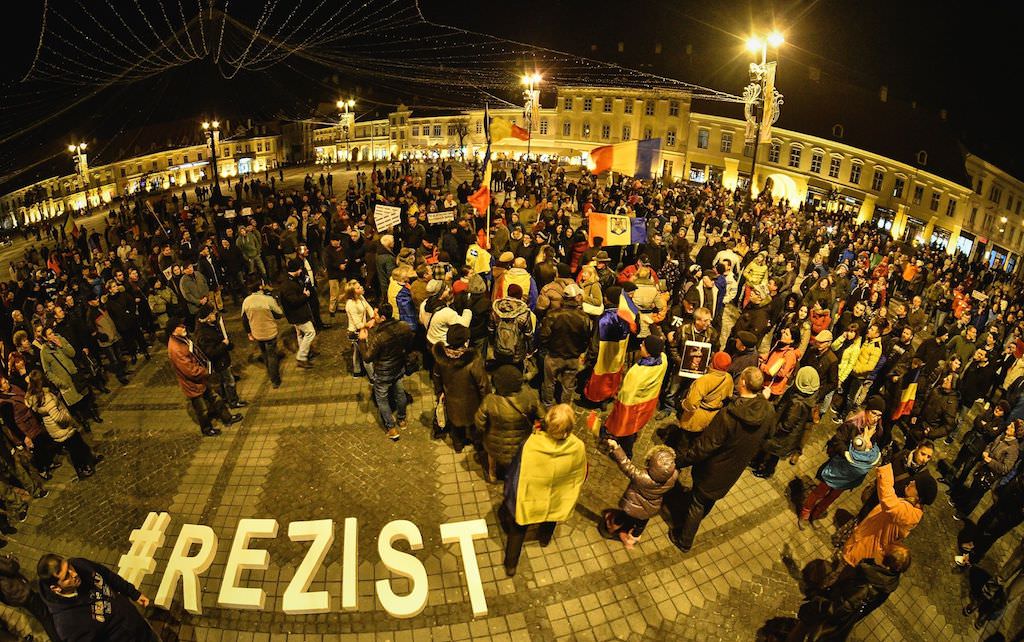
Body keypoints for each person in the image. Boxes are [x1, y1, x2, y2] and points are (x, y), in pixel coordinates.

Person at [667, 367, 774, 553]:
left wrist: (680, 461)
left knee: (698, 503)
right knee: (709, 500)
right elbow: (769, 435)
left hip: (713, 469)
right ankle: (694, 520)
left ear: (742, 383)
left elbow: (705, 447)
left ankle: (684, 539)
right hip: (734, 468)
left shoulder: (728, 416)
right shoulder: (768, 409)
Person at [500, 404, 587, 576]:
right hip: (557, 495)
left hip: (530, 498)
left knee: (519, 528)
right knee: (551, 517)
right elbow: (580, 473)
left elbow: (516, 470)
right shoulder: (578, 447)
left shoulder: (531, 444)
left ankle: (511, 564)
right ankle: (544, 538)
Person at [787, 543, 911, 642]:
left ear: (887, 564)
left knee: (803, 628)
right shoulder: (889, 580)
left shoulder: (866, 585)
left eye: (883, 551)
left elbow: (838, 608)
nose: (879, 549)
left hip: (827, 615)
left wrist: (816, 604)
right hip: (839, 618)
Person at [36, 553, 158, 641]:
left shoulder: (80, 564)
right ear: (56, 588)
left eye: (69, 567)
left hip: (138, 624)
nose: (75, 573)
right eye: (66, 576)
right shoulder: (67, 625)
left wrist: (133, 593)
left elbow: (107, 575)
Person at [840, 463, 931, 572]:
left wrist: (884, 469)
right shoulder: (909, 505)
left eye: (914, 484)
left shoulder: (910, 514)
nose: (911, 482)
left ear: (918, 496)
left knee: (842, 573)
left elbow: (888, 502)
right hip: (863, 540)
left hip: (865, 549)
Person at [799, 416, 882, 529]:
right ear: (867, 411)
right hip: (836, 469)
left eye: (879, 415)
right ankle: (805, 513)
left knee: (833, 496)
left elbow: (873, 455)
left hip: (849, 476)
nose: (875, 418)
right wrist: (848, 453)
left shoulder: (877, 432)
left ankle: (816, 514)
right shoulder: (853, 425)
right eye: (874, 413)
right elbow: (838, 441)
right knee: (819, 492)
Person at [166, 317, 242, 437]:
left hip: (200, 380)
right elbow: (190, 371)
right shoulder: (176, 349)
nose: (183, 327)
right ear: (173, 331)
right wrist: (206, 371)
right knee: (202, 410)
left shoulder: (182, 339)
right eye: (180, 327)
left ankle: (227, 418)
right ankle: (207, 429)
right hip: (193, 385)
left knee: (215, 398)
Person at [23, 370, 101, 479]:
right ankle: (81, 469)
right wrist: (67, 416)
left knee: (79, 442)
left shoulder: (34, 396)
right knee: (75, 449)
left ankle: (91, 458)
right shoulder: (46, 397)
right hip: (62, 428)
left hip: (53, 428)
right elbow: (57, 417)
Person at [601, 442, 678, 549]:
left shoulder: (641, 477)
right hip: (650, 509)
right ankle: (630, 541)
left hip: (632, 505)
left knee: (623, 516)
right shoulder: (673, 476)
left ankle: (612, 527)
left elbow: (626, 465)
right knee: (640, 525)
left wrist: (616, 448)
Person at [476, 364, 544, 482]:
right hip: (521, 443)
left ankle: (492, 473)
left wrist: (484, 432)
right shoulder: (529, 397)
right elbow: (544, 418)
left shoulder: (489, 400)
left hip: (495, 444)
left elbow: (479, 423)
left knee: (491, 454)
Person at [751, 367, 820, 478]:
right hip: (786, 432)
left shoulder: (798, 402)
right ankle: (758, 462)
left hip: (784, 435)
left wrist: (774, 428)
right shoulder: (806, 396)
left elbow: (787, 424)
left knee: (774, 454)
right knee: (771, 450)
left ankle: (767, 471)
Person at [358, 303, 413, 441]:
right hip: (398, 367)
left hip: (383, 372)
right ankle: (402, 420)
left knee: (382, 399)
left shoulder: (379, 336)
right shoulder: (404, 326)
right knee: (400, 393)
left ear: (382, 317)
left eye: (375, 314)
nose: (373, 316)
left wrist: (362, 341)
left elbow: (367, 357)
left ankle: (391, 428)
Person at [432, 324, 488, 450]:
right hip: (471, 401)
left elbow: (436, 376)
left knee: (455, 424)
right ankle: (477, 444)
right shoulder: (474, 361)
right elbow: (483, 385)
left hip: (451, 399)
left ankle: (458, 444)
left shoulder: (441, 358)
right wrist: (486, 402)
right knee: (474, 424)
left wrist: (439, 392)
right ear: (465, 341)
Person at [949, 420, 1019, 519]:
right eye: (1010, 425)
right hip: (983, 467)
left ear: (1016, 433)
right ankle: (961, 504)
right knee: (973, 488)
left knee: (977, 494)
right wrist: (986, 451)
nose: (1008, 427)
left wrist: (990, 461)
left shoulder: (1013, 449)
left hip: (990, 475)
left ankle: (964, 512)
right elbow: (991, 444)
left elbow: (1006, 468)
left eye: (1011, 427)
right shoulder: (1002, 436)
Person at [667, 350, 733, 450]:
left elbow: (691, 404)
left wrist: (682, 403)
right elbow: (728, 395)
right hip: (713, 415)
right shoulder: (728, 378)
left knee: (685, 439)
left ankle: (680, 457)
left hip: (696, 417)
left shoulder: (704, 380)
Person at [537, 282, 591, 406]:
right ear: (576, 297)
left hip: (554, 356)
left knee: (549, 383)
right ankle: (564, 408)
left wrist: (549, 347)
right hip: (572, 357)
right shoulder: (583, 317)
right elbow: (586, 338)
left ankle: (547, 406)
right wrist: (579, 351)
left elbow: (544, 336)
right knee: (568, 385)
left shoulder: (553, 314)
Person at [192, 304, 246, 409]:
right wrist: (224, 345)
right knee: (229, 381)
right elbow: (210, 352)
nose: (215, 314)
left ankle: (226, 397)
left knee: (223, 380)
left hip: (222, 359)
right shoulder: (204, 333)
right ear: (207, 317)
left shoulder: (211, 326)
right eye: (212, 313)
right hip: (219, 361)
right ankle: (233, 401)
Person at [0, 553, 60, 641]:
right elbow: (11, 567)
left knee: (40, 613)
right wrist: (11, 558)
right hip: (18, 591)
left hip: (10, 595)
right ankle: (58, 638)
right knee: (45, 615)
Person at [240, 277, 283, 388]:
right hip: (269, 332)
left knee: (264, 353)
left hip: (257, 333)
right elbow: (279, 314)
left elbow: (244, 320)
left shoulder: (246, 301)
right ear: (260, 287)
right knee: (272, 355)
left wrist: (249, 332)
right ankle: (275, 380)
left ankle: (269, 371)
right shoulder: (267, 300)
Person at [280, 258, 317, 369]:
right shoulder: (288, 285)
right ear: (295, 269)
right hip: (297, 315)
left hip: (296, 314)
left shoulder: (290, 280)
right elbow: (294, 301)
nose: (301, 271)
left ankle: (305, 352)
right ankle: (301, 357)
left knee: (300, 334)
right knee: (310, 332)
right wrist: (305, 295)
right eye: (300, 269)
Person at [342, 280, 374, 378]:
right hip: (356, 332)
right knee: (366, 355)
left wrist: (373, 317)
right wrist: (369, 324)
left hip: (361, 330)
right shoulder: (351, 305)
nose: (361, 288)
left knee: (357, 351)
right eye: (358, 288)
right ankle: (372, 376)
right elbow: (358, 324)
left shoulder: (360, 297)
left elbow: (368, 308)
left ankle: (357, 371)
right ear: (353, 292)